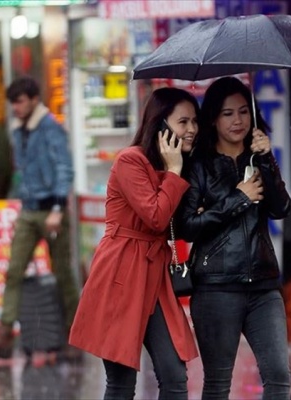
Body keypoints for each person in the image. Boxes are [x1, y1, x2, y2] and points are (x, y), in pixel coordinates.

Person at [69, 87, 200, 399]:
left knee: (174, 375)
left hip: (155, 278)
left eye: (195, 121)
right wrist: (174, 172)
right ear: (160, 124)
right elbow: (155, 216)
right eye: (183, 122)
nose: (192, 129)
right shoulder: (131, 160)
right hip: (121, 274)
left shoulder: (181, 163)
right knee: (121, 382)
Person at [177, 76, 291, 399]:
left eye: (244, 111)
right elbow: (186, 226)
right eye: (228, 113)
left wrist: (267, 160)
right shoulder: (198, 166)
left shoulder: (260, 159)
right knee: (217, 383)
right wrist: (238, 198)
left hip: (264, 286)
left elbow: (281, 208)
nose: (238, 120)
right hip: (216, 286)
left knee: (279, 377)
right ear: (212, 118)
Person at [0, 76, 79, 360]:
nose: (15, 108)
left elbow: (64, 169)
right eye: (13, 103)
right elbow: (21, 170)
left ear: (33, 99)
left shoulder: (50, 128)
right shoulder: (17, 130)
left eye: (19, 101)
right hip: (29, 209)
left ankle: (74, 334)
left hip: (50, 209)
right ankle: (4, 334)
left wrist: (56, 208)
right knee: (14, 269)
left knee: (63, 274)